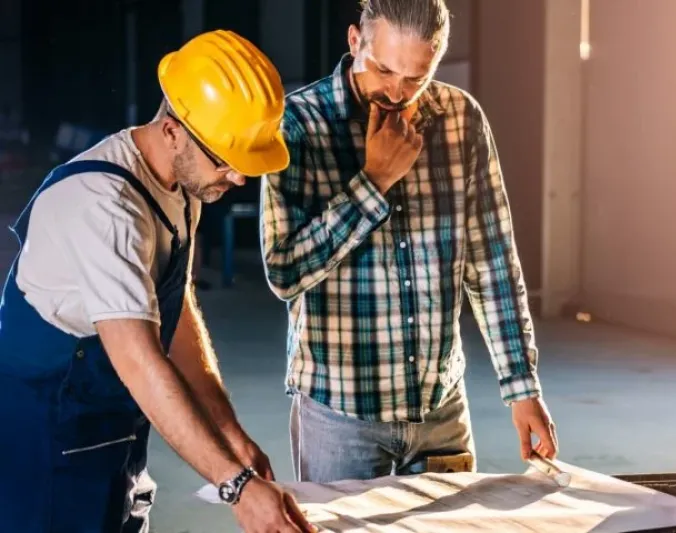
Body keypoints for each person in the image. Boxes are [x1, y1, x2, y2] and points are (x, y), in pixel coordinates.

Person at [0, 30, 315, 533]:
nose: (237, 178)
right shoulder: (105, 208)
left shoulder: (181, 182)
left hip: (112, 442)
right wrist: (235, 486)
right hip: (45, 451)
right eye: (225, 160)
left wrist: (228, 433)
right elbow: (142, 362)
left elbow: (177, 313)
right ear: (171, 130)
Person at [261, 0, 559, 484]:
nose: (397, 92)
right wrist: (374, 181)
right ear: (355, 41)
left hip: (440, 412)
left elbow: (493, 265)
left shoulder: (460, 119)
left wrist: (522, 388)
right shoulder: (298, 124)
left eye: (415, 78)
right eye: (383, 70)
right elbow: (284, 271)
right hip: (341, 417)